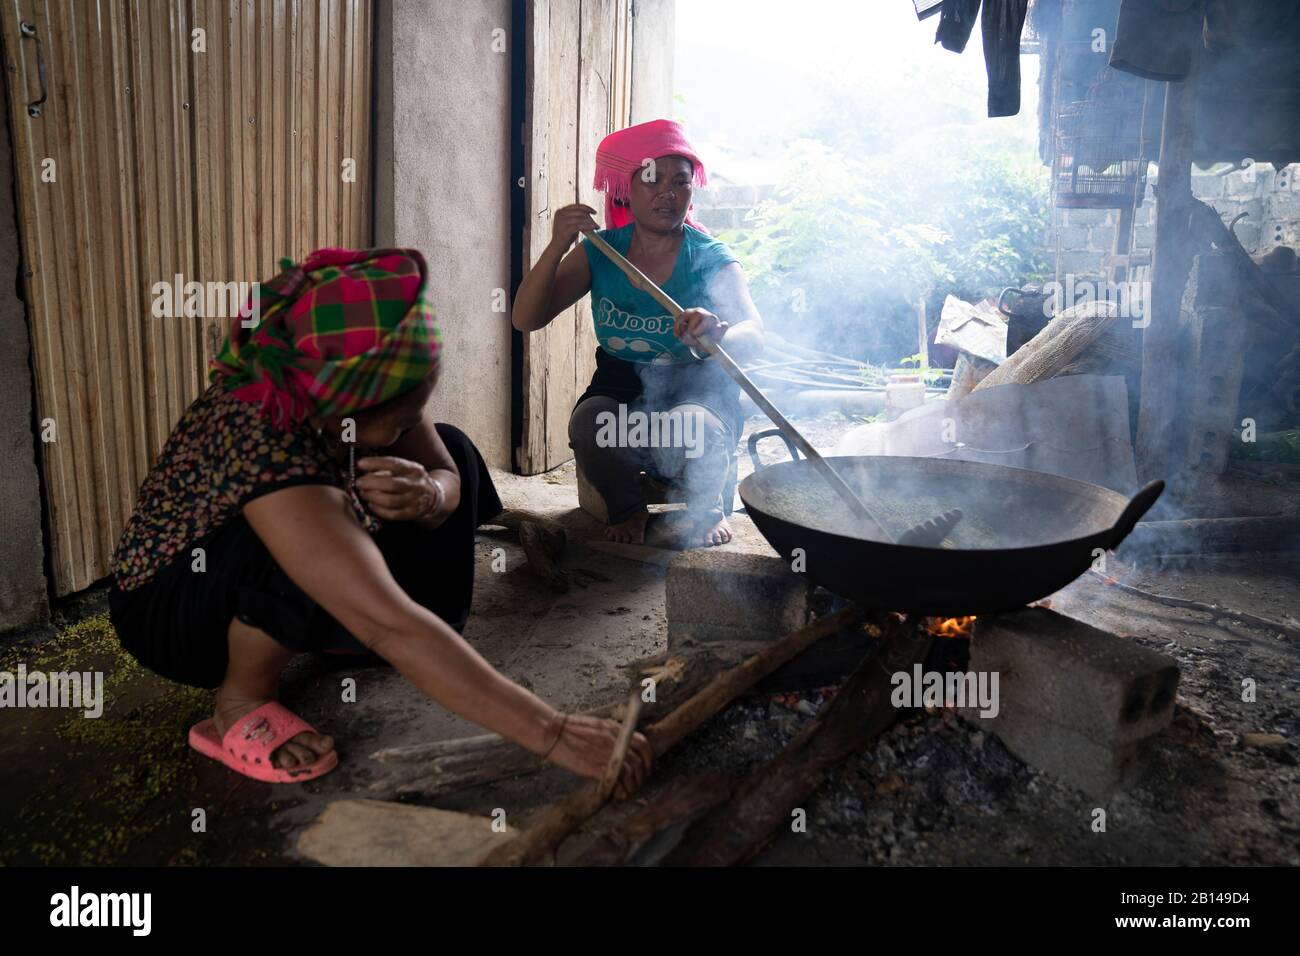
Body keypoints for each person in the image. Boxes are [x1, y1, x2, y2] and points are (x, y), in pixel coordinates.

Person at [108, 247, 652, 790]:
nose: (412, 425)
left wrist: (430, 495)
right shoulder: (267, 449)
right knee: (301, 540)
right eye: (399, 420)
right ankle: (240, 700)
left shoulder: (342, 379)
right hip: (174, 606)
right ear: (344, 407)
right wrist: (553, 732)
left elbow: (443, 469)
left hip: (296, 522)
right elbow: (390, 625)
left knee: (456, 449)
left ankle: (344, 630)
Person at [513, 118, 764, 547]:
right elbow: (526, 318)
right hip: (622, 381)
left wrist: (717, 336)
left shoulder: (709, 257)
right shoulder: (602, 251)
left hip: (697, 385)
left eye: (681, 182)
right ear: (628, 188)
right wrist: (557, 245)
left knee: (694, 424)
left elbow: (755, 333)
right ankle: (628, 509)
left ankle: (706, 507)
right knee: (592, 423)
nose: (668, 192)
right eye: (653, 179)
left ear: (691, 190)